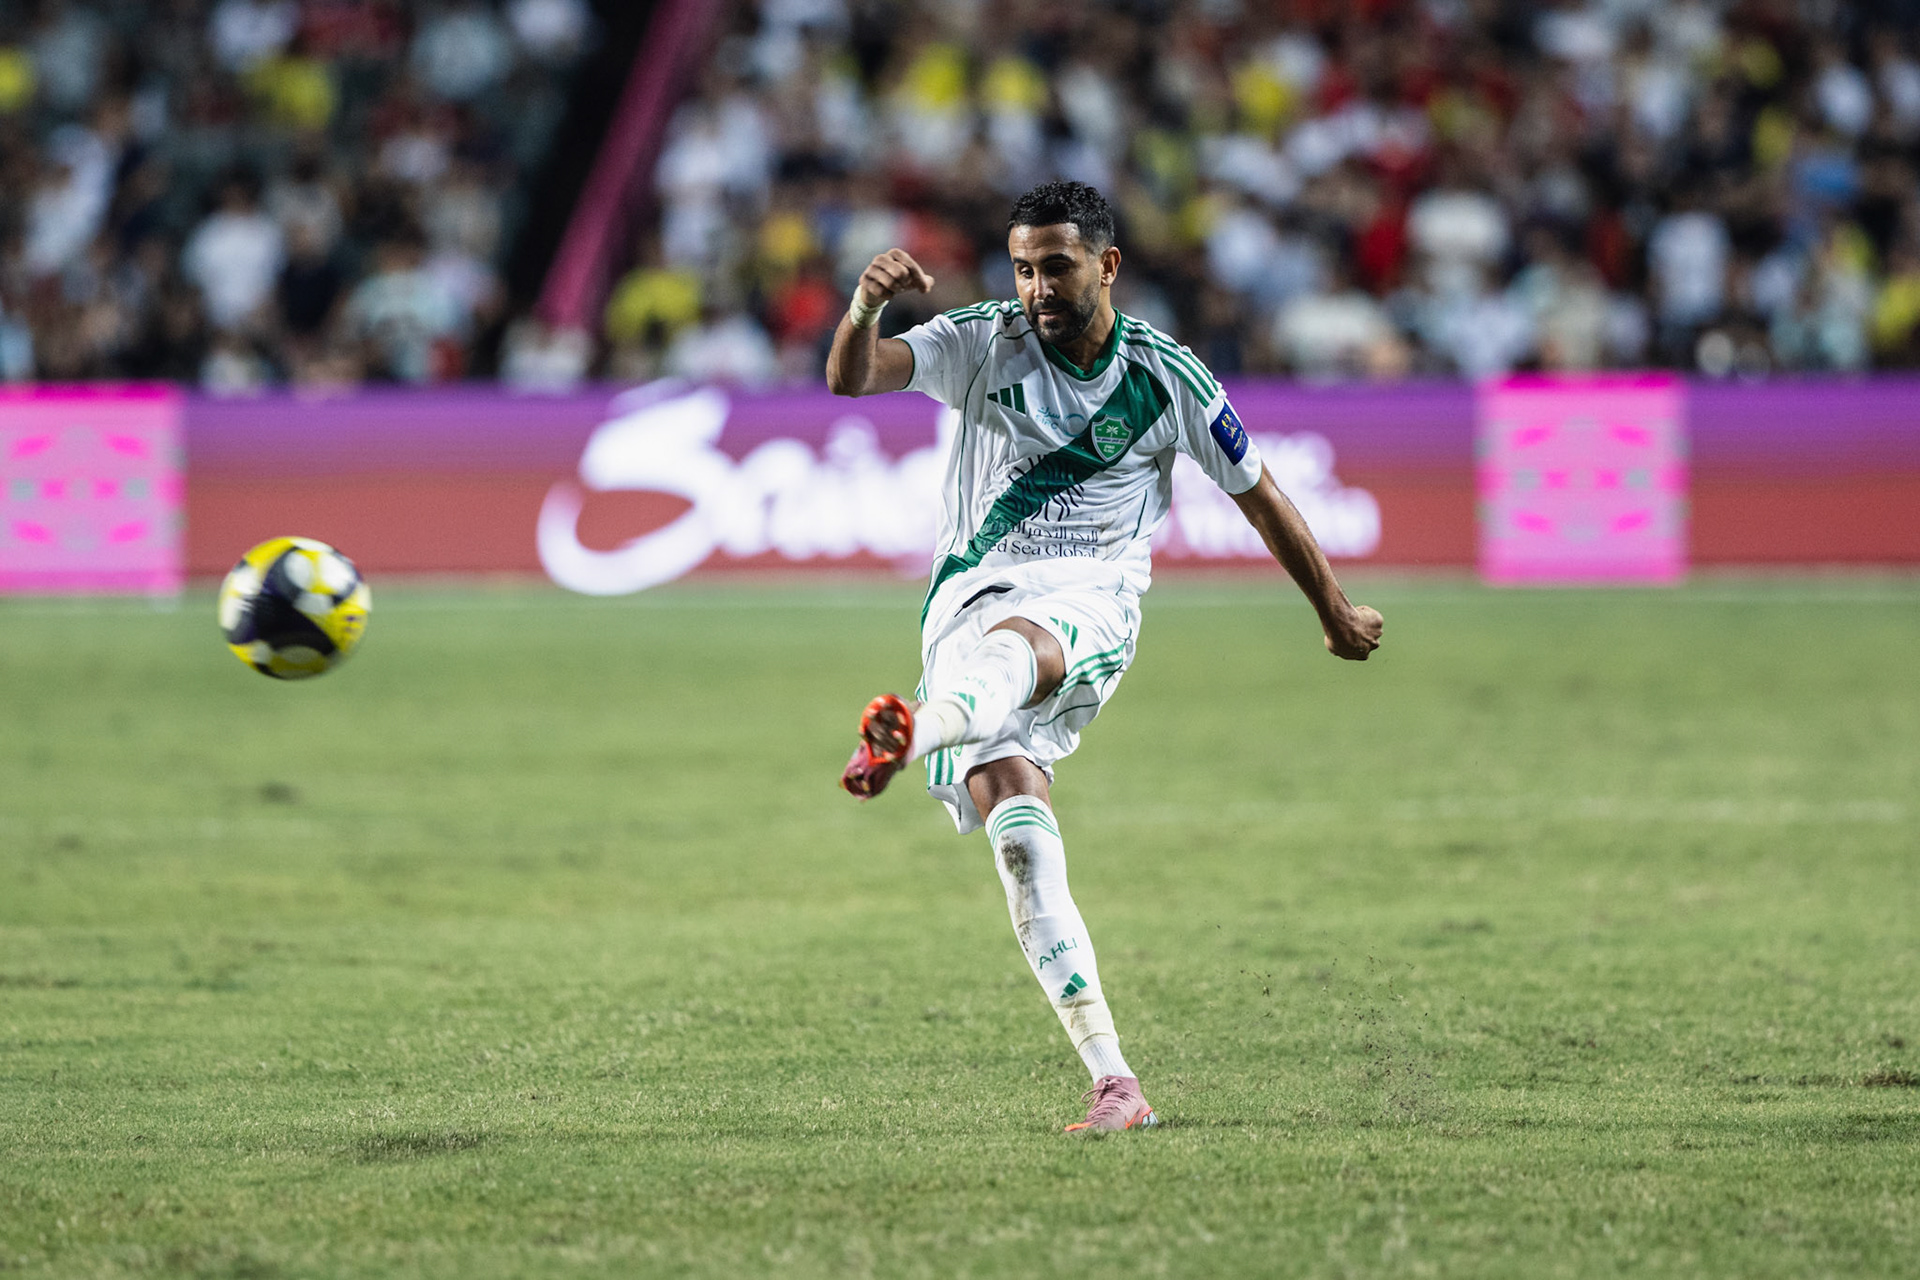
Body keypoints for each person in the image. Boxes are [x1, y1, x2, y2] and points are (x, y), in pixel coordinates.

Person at [823, 180, 1384, 1133]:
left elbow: (1262, 496)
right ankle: (1115, 1081)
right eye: (1024, 268)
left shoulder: (1167, 377)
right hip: (966, 601)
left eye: (1055, 267)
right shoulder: (981, 342)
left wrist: (1333, 610)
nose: (1036, 287)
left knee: (1021, 652)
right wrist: (865, 305)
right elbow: (853, 377)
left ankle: (909, 736)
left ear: (1106, 265)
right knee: (1024, 847)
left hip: (1090, 604)